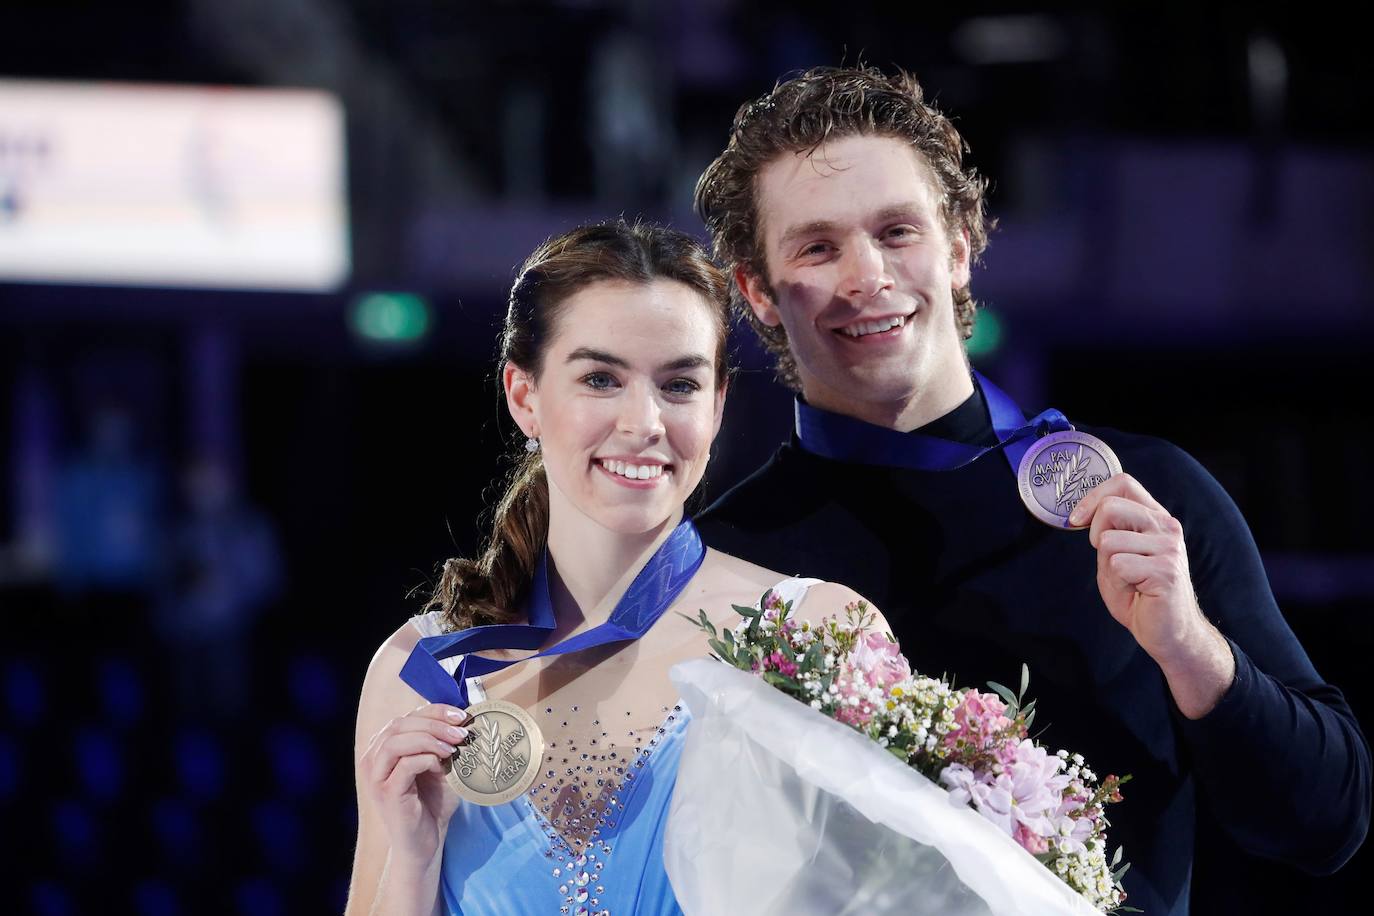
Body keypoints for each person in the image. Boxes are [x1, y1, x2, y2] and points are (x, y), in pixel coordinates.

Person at [692, 65, 1370, 915]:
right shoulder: (724, 564)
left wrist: (1188, 646)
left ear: (958, 247)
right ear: (757, 290)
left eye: (897, 231)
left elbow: (1325, 824)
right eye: (817, 248)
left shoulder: (1146, 497)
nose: (867, 276)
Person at [345, 220, 883, 915]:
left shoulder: (817, 635)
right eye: (601, 379)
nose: (643, 422)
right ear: (524, 396)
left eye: (679, 384)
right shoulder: (422, 672)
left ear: (718, 403)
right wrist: (414, 862)